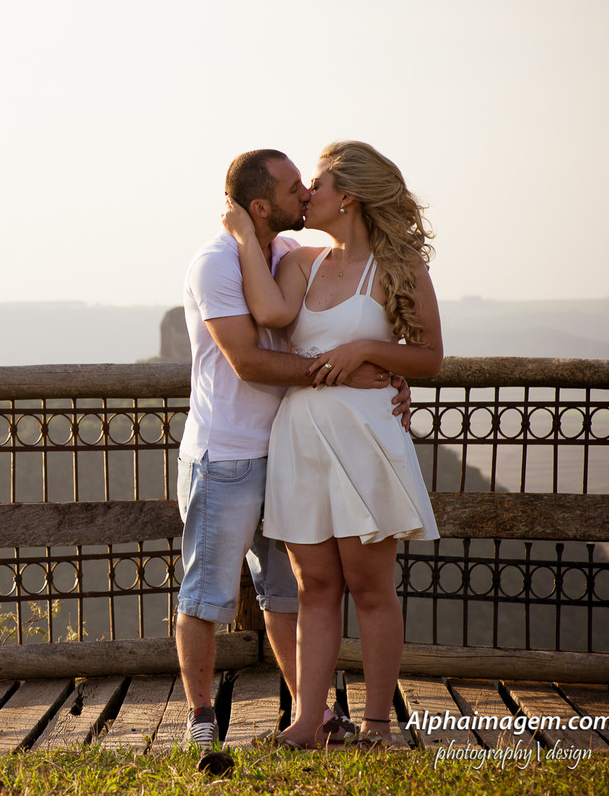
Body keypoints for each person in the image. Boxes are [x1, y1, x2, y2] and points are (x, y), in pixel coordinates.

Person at [177, 149, 408, 749]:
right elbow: (250, 361)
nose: (305, 193)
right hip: (225, 454)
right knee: (209, 593)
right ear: (260, 206)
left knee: (291, 594)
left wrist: (378, 359)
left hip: (288, 449)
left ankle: (315, 720)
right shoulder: (216, 264)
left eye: (310, 184)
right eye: (293, 188)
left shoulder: (281, 254)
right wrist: (343, 369)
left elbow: (333, 325)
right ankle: (202, 718)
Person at [221, 140, 442, 749]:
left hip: (367, 439)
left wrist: (366, 351)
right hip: (302, 439)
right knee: (314, 586)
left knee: (370, 589)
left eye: (315, 184)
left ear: (348, 196)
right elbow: (267, 314)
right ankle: (307, 723)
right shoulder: (300, 262)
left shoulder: (399, 269)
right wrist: (245, 235)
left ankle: (375, 724)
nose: (306, 194)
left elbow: (429, 357)